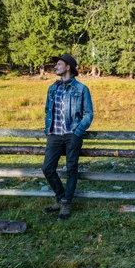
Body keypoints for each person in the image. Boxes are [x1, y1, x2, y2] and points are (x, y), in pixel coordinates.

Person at [41, 54, 94, 220]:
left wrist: (78, 131)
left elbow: (88, 113)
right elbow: (47, 111)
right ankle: (61, 197)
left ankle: (66, 203)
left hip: (72, 133)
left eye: (58, 64)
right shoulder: (52, 88)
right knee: (47, 168)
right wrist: (48, 129)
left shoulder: (81, 89)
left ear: (68, 67)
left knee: (71, 168)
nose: (55, 67)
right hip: (55, 134)